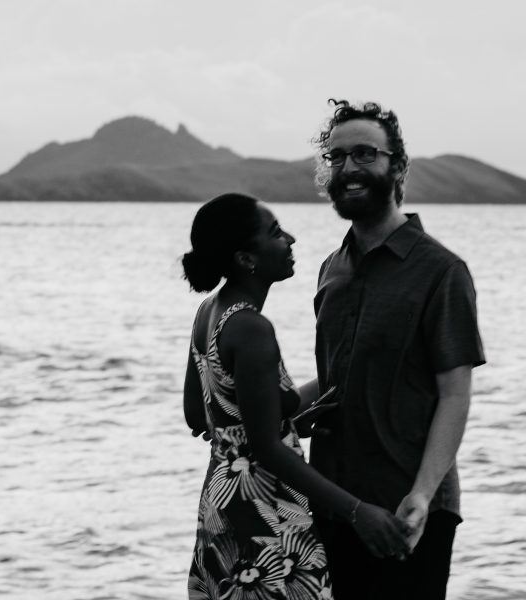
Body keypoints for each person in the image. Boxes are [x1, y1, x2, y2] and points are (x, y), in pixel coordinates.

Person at [182, 193, 411, 600]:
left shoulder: (208, 312)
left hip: (222, 504)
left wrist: (283, 415)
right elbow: (268, 449)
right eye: (274, 233)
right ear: (245, 259)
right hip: (264, 513)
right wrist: (358, 512)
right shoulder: (252, 328)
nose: (290, 239)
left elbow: (199, 415)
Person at [307, 100, 486, 600]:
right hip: (336, 502)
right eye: (336, 157)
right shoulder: (331, 270)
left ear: (397, 166)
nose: (348, 168)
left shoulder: (442, 272)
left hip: (409, 506)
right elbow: (340, 377)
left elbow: (454, 394)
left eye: (365, 154)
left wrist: (423, 496)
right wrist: (265, 408)